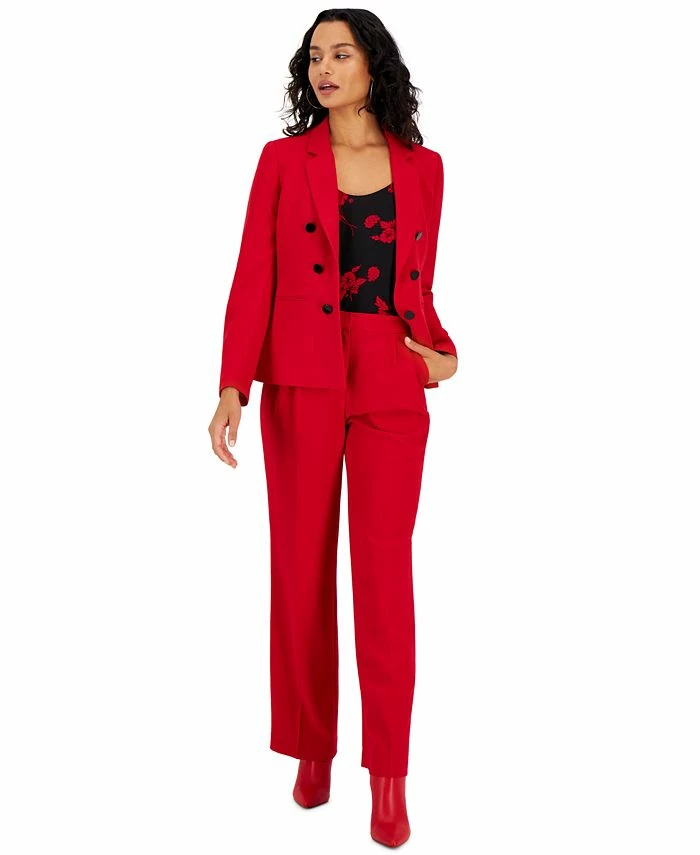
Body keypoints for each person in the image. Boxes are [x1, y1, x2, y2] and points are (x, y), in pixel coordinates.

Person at [208, 9, 458, 848]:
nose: (324, 67)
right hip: (300, 376)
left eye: (341, 53)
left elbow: (419, 287)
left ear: (373, 64)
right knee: (301, 567)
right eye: (314, 56)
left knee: (386, 579)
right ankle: (311, 748)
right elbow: (254, 271)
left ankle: (389, 776)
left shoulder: (425, 167)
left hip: (390, 376)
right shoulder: (283, 161)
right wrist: (232, 384)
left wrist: (444, 355)